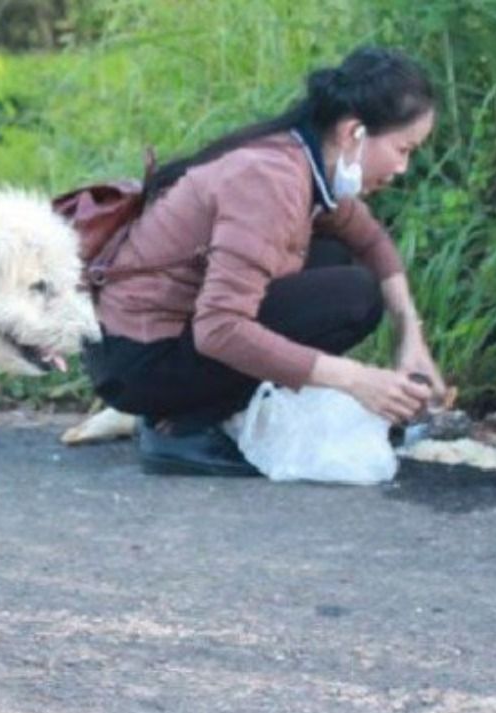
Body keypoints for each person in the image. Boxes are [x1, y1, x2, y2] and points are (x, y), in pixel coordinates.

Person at [82, 46, 448, 477]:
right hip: (138, 363)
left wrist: (411, 338)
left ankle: (201, 409)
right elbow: (220, 329)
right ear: (354, 134)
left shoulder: (308, 161)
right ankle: (180, 425)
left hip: (153, 342)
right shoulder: (270, 181)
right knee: (354, 296)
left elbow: (372, 241)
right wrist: (355, 379)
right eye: (404, 149)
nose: (403, 167)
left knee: (340, 257)